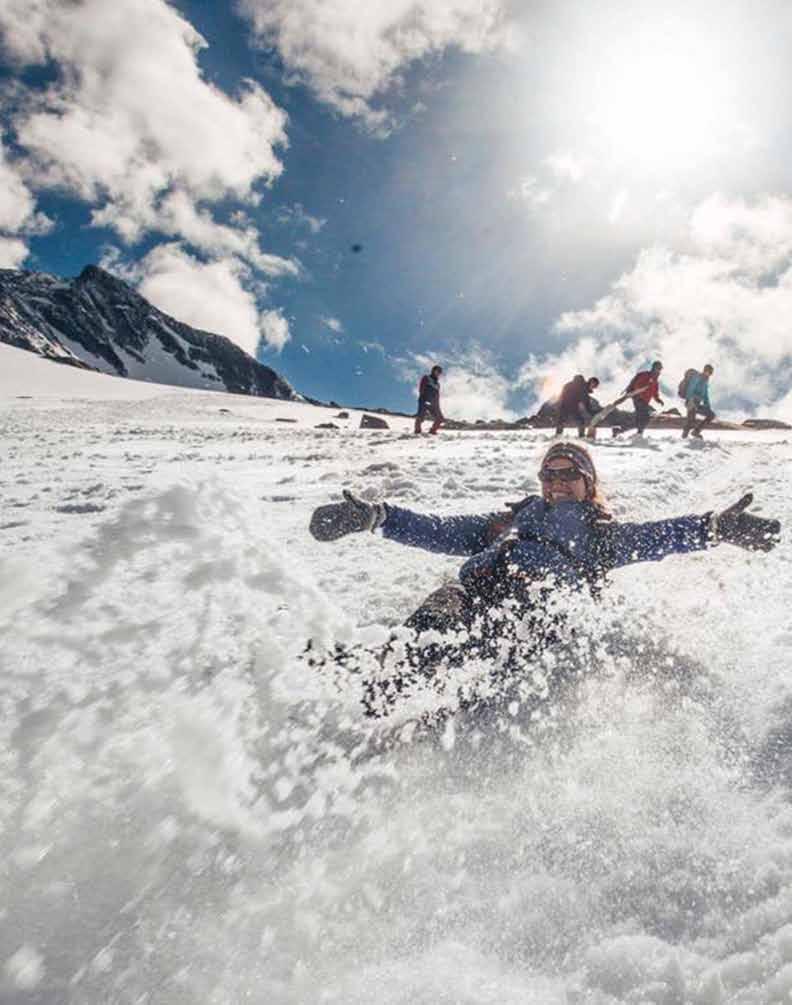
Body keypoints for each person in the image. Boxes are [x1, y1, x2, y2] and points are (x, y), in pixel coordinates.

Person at [309, 442, 780, 720]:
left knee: (484, 655)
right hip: (476, 593)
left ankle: (447, 711)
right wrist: (374, 516)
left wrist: (716, 528)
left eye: (568, 474)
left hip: (538, 613)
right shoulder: (505, 524)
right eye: (547, 475)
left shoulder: (598, 536)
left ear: (587, 482)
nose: (556, 482)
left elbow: (656, 537)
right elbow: (440, 529)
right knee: (438, 614)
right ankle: (382, 684)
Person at [612, 361, 665, 437]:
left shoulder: (655, 380)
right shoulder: (645, 375)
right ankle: (639, 434)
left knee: (640, 419)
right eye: (658, 368)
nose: (659, 370)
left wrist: (658, 400)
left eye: (660, 369)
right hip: (638, 399)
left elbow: (654, 392)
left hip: (644, 401)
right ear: (654, 368)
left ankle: (619, 430)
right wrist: (639, 397)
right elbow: (638, 386)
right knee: (646, 417)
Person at [683, 364, 716, 439]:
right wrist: (691, 401)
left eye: (711, 373)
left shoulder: (705, 382)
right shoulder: (696, 378)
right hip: (690, 402)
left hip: (697, 404)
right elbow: (690, 390)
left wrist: (708, 407)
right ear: (705, 370)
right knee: (690, 421)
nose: (709, 375)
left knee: (711, 415)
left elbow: (705, 396)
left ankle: (696, 432)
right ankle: (683, 438)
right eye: (709, 372)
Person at [414, 365, 444, 435]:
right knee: (421, 416)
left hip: (434, 403)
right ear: (433, 371)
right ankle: (417, 431)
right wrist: (425, 399)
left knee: (440, 418)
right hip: (424, 400)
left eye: (440, 372)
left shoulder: (438, 384)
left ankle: (432, 431)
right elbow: (421, 389)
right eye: (437, 371)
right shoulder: (426, 378)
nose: (439, 373)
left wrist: (437, 405)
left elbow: (437, 395)